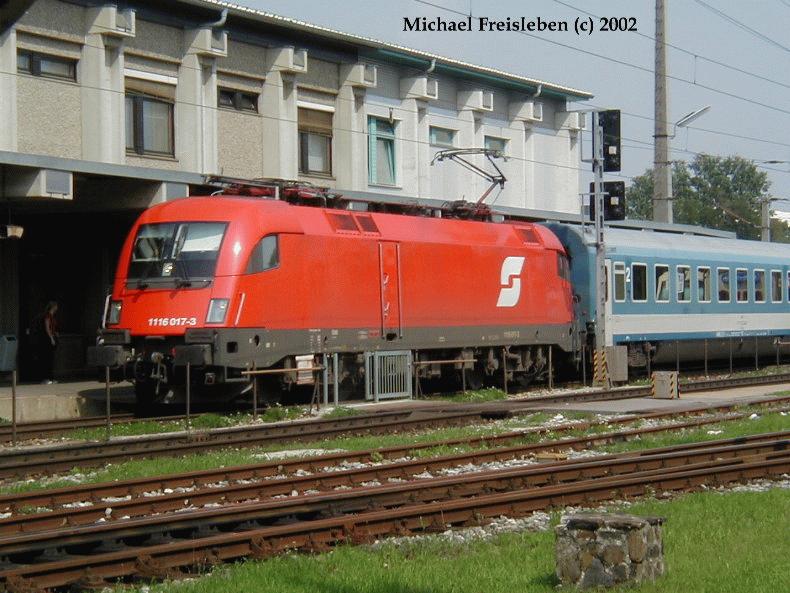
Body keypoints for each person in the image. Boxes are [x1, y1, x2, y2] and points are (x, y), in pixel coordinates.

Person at [39, 301, 59, 384]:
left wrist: (55, 334)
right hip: (47, 339)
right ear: (53, 307)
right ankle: (46, 378)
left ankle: (51, 377)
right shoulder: (47, 316)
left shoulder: (52, 316)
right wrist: (51, 338)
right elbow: (47, 328)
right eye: (56, 306)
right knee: (47, 358)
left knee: (51, 359)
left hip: (53, 337)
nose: (57, 308)